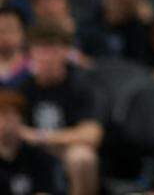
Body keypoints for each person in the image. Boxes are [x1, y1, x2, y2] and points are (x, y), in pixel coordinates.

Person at [16, 24, 101, 195]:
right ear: (30, 54)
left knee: (82, 158)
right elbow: (16, 130)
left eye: (52, 50)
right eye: (40, 50)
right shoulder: (23, 89)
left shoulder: (81, 86)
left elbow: (92, 135)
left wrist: (41, 137)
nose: (46, 57)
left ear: (65, 53)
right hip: (30, 154)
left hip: (65, 150)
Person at [0, 89, 59, 195]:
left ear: (21, 119)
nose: (5, 123)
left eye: (11, 116)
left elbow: (45, 190)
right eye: (2, 115)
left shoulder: (37, 156)